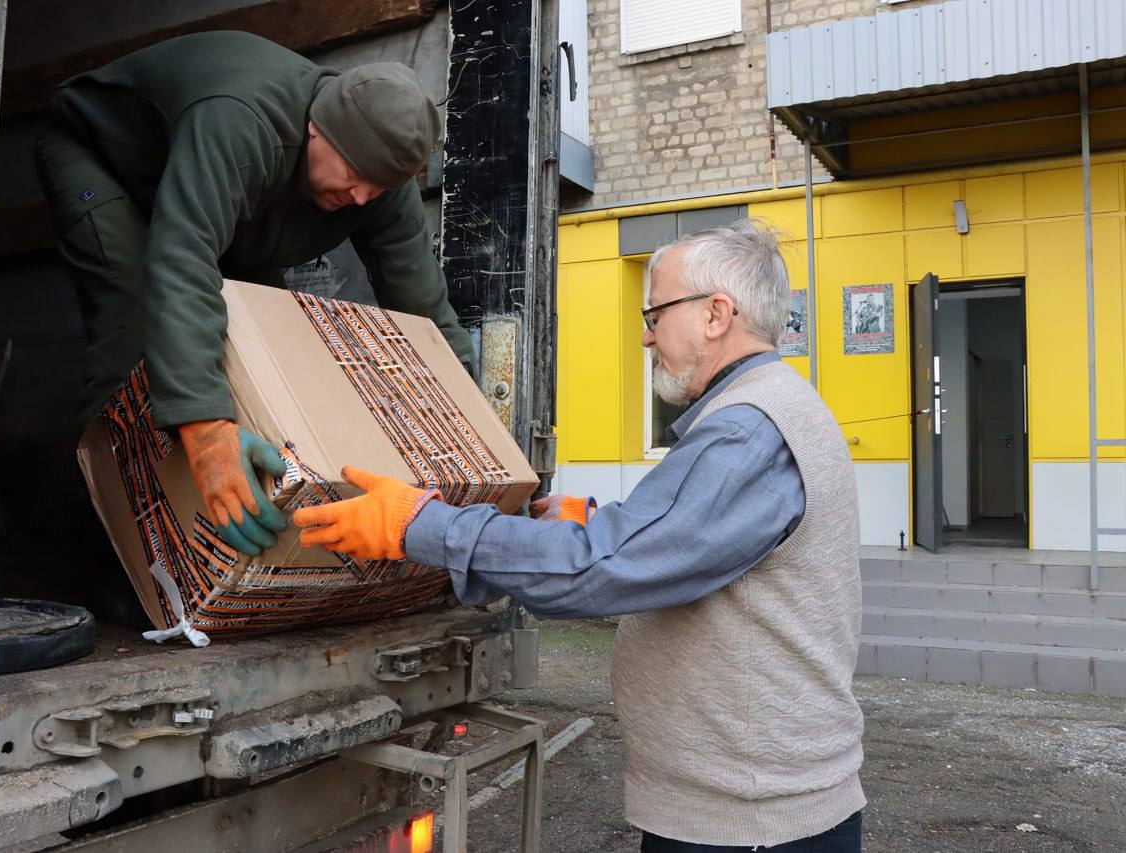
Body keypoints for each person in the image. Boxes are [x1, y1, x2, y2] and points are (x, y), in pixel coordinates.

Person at [293, 220, 866, 852]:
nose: (647, 335)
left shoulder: (746, 433)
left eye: (654, 313)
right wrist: (590, 523)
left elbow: (594, 571)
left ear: (715, 315)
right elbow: (673, 542)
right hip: (747, 807)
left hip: (753, 823)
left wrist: (417, 524)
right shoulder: (763, 411)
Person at [35, 30, 474, 556]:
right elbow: (182, 258)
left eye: (379, 187)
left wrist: (477, 441)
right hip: (104, 160)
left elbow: (425, 312)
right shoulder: (241, 120)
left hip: (219, 197)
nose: (363, 197)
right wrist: (206, 434)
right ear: (317, 128)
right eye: (356, 175)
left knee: (266, 352)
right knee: (137, 337)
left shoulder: (378, 181)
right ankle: (115, 557)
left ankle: (229, 547)